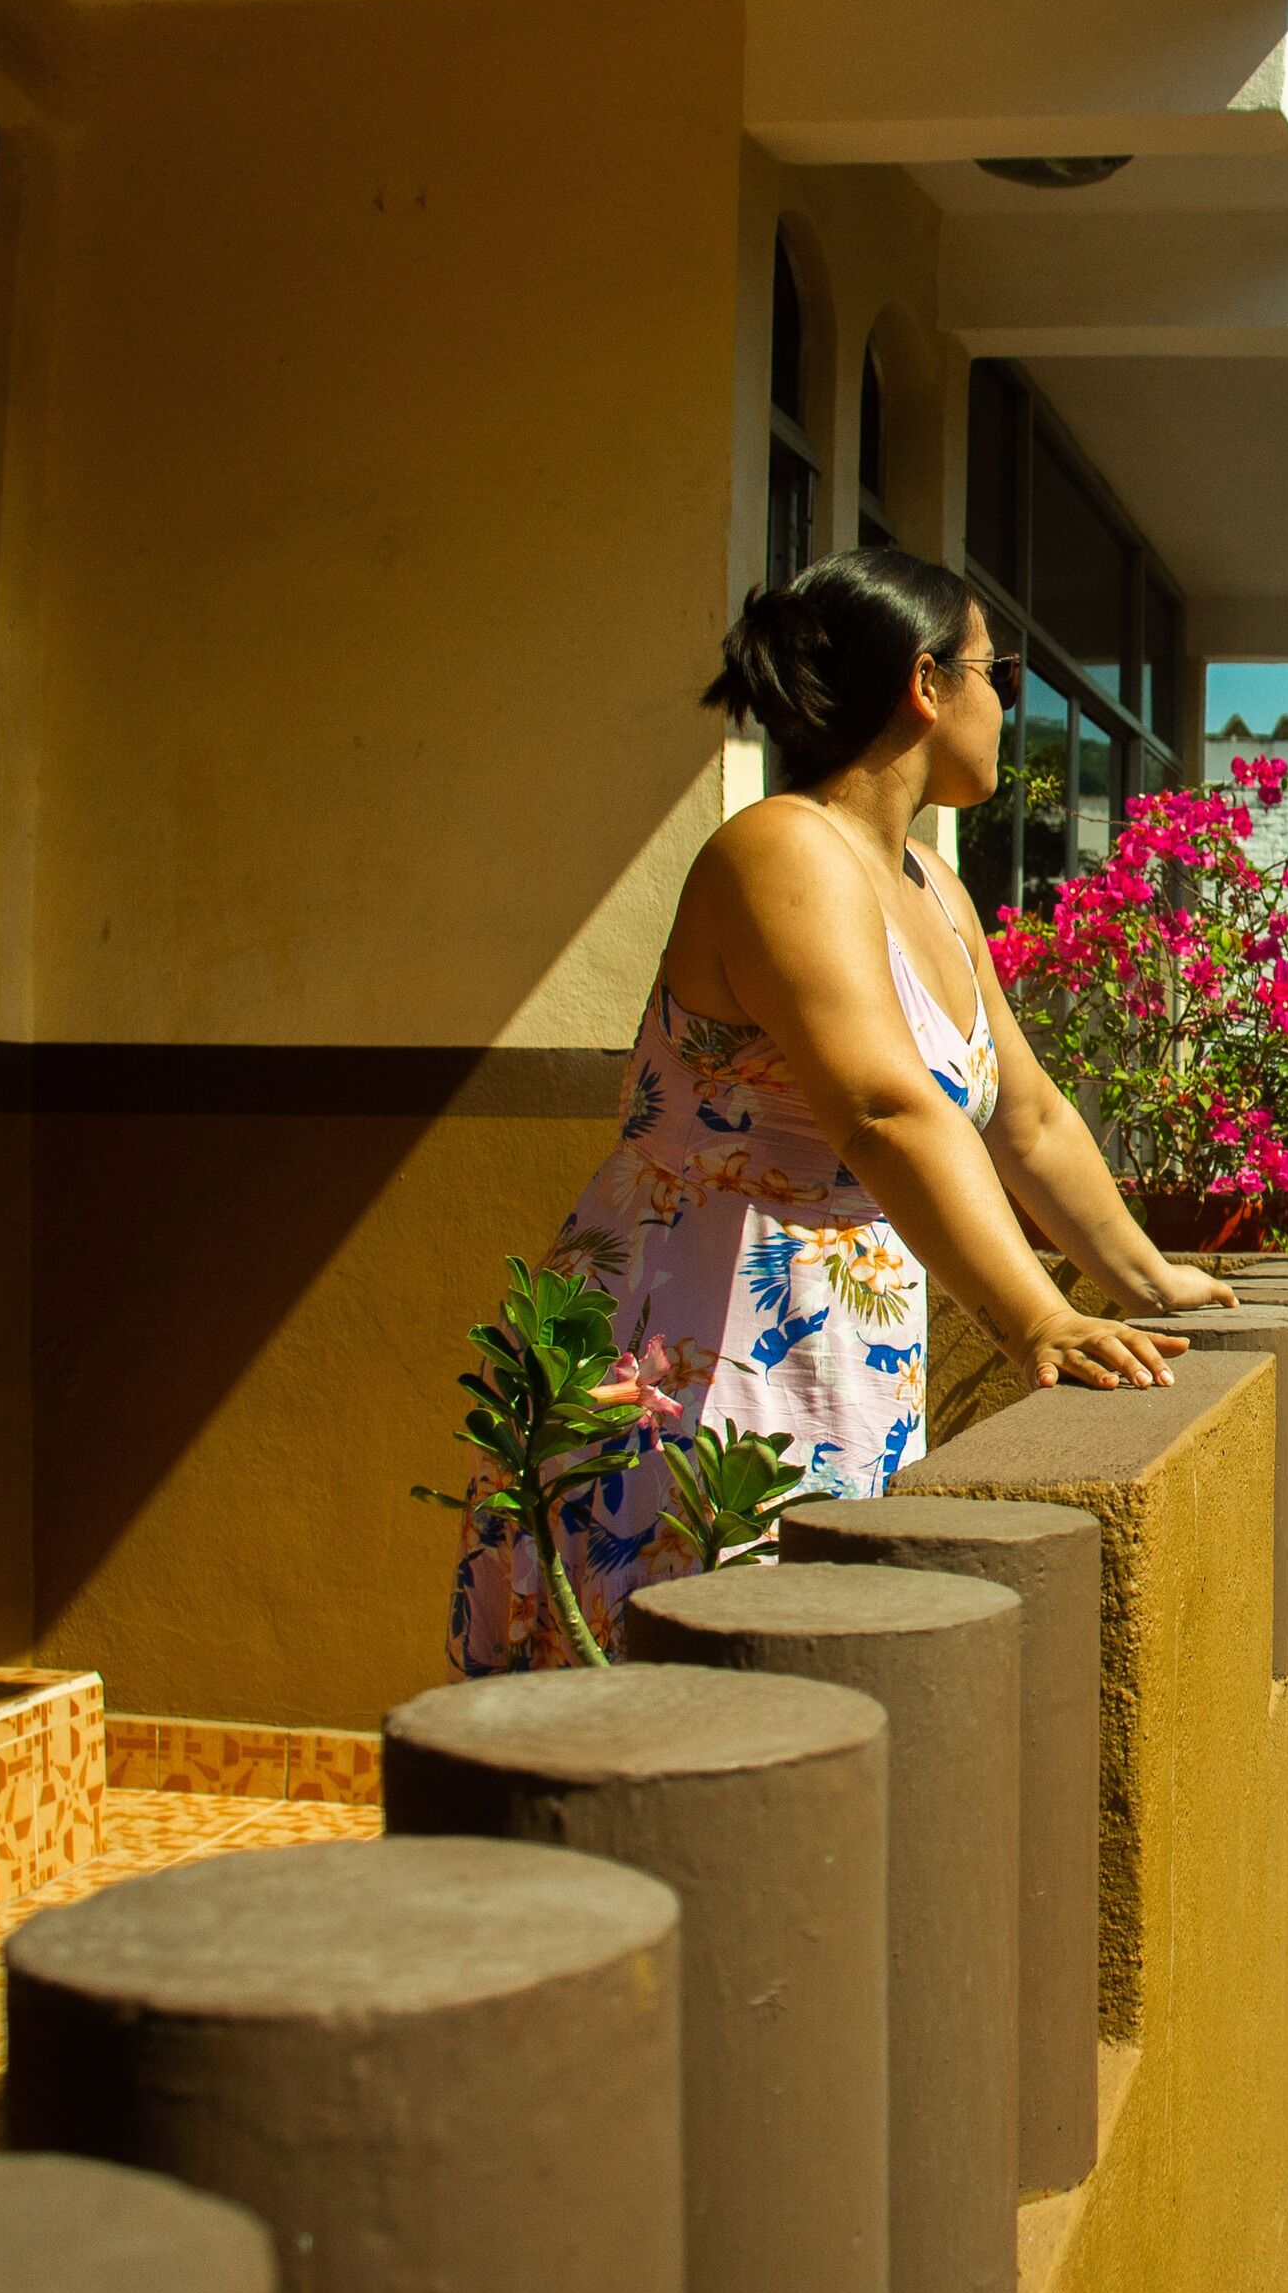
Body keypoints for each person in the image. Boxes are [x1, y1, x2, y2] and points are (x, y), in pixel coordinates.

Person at [449, 550, 1236, 1672]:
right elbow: (881, 1105)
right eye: (994, 672)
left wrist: (1147, 1280)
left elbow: (1034, 1120)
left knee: (793, 1705)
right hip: (691, 1370)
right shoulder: (779, 849)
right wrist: (1036, 1321)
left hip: (838, 1358)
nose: (1009, 704)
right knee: (679, 1708)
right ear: (926, 684)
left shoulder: (932, 884)